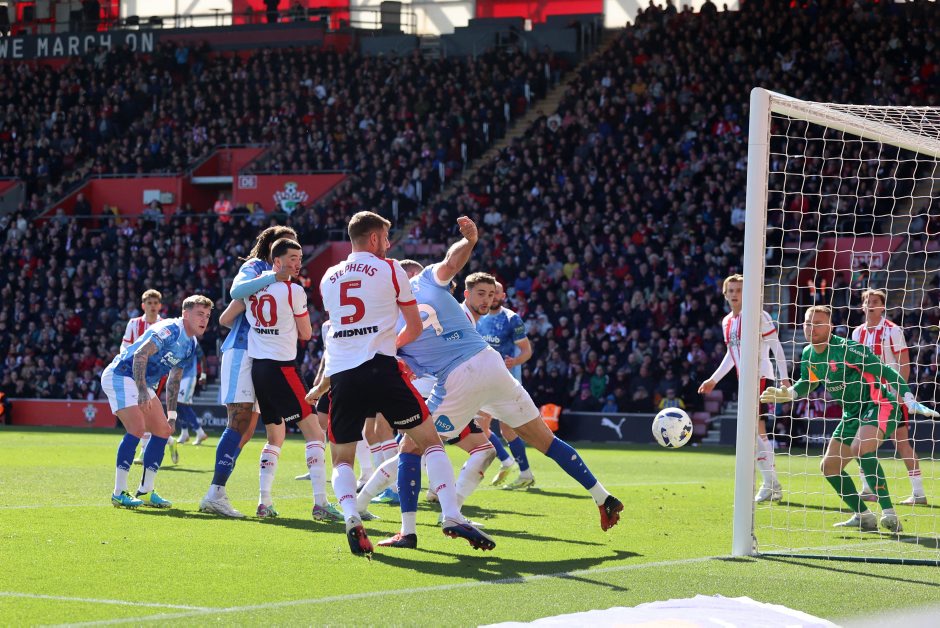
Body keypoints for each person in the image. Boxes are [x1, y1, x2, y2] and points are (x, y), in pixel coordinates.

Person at [379, 215, 622, 548]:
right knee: (546, 440)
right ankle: (603, 496)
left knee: (411, 445)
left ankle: (409, 531)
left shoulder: (389, 320)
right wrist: (470, 240)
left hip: (458, 377)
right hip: (491, 364)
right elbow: (452, 262)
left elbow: (405, 365)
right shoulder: (426, 280)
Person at [315, 210, 493, 556]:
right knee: (430, 442)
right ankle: (451, 513)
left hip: (343, 373)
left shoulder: (328, 276)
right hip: (381, 367)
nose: (388, 243)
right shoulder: (391, 268)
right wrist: (394, 347)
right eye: (385, 236)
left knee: (341, 459)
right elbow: (413, 326)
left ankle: (351, 516)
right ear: (373, 239)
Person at [761, 306, 938, 533]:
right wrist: (790, 393)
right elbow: (809, 381)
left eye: (818, 323)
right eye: (808, 323)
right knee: (829, 467)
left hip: (878, 404)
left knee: (861, 447)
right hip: (852, 413)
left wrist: (909, 398)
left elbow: (886, 371)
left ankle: (889, 514)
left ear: (830, 326)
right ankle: (864, 516)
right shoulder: (808, 353)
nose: (812, 328)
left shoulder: (848, 349)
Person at [199, 226, 296, 518]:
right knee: (238, 420)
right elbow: (235, 292)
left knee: (249, 427)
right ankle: (215, 492)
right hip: (242, 351)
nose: (293, 256)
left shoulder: (284, 279)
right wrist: (272, 278)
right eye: (288, 247)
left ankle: (218, 491)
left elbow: (227, 316)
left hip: (264, 356)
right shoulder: (256, 266)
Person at [240, 238, 340, 521]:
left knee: (275, 436)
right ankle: (320, 503)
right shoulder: (293, 290)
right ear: (277, 261)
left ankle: (264, 502)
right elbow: (306, 333)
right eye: (292, 258)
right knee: (315, 433)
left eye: (300, 258)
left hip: (259, 368)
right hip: (282, 368)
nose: (298, 263)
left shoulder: (253, 287)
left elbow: (229, 313)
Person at [101, 295, 213, 508]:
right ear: (185, 314)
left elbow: (174, 381)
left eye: (207, 316)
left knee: (163, 430)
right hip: (121, 374)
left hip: (140, 382)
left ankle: (146, 491)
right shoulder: (170, 329)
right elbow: (140, 355)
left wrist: (172, 416)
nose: (204, 320)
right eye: (200, 314)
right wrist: (143, 390)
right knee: (137, 428)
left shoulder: (190, 344)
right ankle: (118, 492)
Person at [698, 274, 790, 503]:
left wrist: (785, 378)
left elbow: (776, 346)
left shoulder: (758, 315)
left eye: (739, 290)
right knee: (757, 432)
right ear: (724, 294)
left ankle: (771, 484)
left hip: (761, 377)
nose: (735, 294)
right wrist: (713, 379)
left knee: (754, 430)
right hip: (745, 380)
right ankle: (772, 484)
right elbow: (732, 354)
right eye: (731, 290)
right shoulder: (727, 321)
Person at [851, 288, 925, 505]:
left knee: (901, 443)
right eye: (867, 301)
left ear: (882, 306)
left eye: (875, 301)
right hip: (867, 398)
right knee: (861, 442)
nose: (871, 305)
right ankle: (867, 489)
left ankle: (918, 493)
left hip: (891, 397)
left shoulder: (893, 331)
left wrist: (901, 393)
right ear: (862, 306)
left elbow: (904, 364)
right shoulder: (857, 333)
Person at [470, 278, 536, 490]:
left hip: (506, 381)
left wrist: (515, 361)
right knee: (480, 426)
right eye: (489, 293)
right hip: (482, 380)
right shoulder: (477, 317)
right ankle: (507, 461)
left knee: (508, 429)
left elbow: (527, 350)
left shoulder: (511, 319)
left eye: (496, 293)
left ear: (503, 296)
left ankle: (524, 472)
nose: (492, 297)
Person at [121, 289, 174, 466]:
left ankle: (146, 449)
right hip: (134, 372)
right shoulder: (134, 324)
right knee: (141, 409)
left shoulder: (165, 325)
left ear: (160, 306)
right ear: (143, 306)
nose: (152, 306)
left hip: (155, 374)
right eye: (149, 303)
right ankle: (166, 439)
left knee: (146, 409)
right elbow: (125, 347)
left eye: (155, 303)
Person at [174, 340, 209, 446]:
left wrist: (203, 375)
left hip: (189, 376)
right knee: (178, 405)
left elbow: (202, 358)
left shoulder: (192, 340)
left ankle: (199, 432)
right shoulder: (174, 338)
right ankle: (185, 433)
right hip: (177, 377)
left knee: (182, 404)